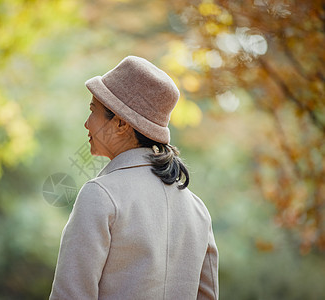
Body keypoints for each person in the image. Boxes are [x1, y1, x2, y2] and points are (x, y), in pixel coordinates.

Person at [50, 56, 219, 300]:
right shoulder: (198, 210)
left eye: (92, 111)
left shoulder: (101, 195)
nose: (87, 124)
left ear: (120, 123)